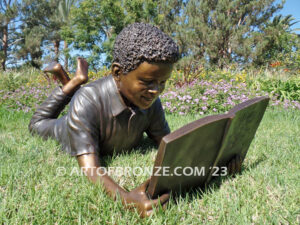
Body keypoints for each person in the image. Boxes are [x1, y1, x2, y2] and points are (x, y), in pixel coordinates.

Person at [29, 23, 241, 217]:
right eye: (148, 81)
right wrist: (126, 199)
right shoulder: (89, 100)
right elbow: (91, 169)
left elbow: (171, 145)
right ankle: (74, 81)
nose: (156, 90)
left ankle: (74, 81)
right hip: (61, 128)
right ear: (118, 73)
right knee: (38, 122)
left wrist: (215, 165)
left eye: (163, 82)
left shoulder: (151, 102)